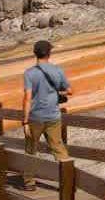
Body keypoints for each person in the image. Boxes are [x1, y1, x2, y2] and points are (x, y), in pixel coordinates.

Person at [20, 40, 72, 191]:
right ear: (49, 53)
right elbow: (69, 91)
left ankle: (29, 182)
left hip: (35, 117)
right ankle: (67, 181)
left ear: (35, 53)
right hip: (53, 116)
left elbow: (27, 97)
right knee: (58, 148)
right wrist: (57, 93)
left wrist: (25, 121)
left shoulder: (29, 73)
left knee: (31, 149)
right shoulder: (57, 70)